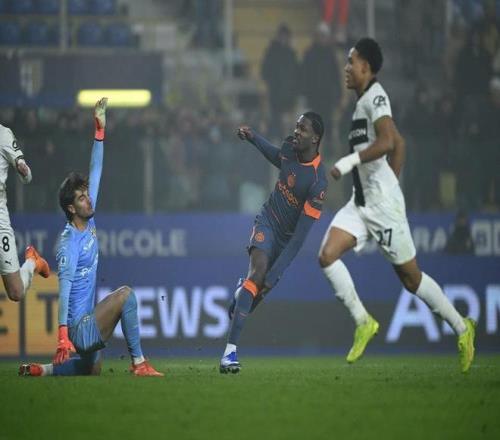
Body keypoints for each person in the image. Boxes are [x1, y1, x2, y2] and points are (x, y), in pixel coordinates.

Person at [318, 38, 476, 373]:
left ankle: (462, 328)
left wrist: (352, 164)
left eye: (351, 61)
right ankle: (364, 322)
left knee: (411, 279)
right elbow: (399, 142)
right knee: (327, 255)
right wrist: (389, 178)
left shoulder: (375, 96)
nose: (346, 67)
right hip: (361, 202)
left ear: (366, 67)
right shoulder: (360, 104)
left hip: (383, 208)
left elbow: (389, 141)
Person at [19, 98, 163, 377]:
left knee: (91, 368)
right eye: (82, 197)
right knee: (126, 295)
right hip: (79, 329)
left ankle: (40, 371)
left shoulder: (88, 218)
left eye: (87, 194)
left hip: (86, 321)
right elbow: (63, 289)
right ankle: (139, 364)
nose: (89, 199)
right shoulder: (69, 243)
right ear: (72, 208)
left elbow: (96, 170)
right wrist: (62, 335)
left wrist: (99, 132)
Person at [220, 112, 328, 374]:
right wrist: (253, 138)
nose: (296, 131)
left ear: (315, 138)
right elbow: (276, 156)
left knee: (254, 294)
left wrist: (277, 272)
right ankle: (229, 354)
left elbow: (299, 238)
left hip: (286, 241)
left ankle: (241, 295)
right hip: (267, 221)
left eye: (303, 129)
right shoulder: (290, 147)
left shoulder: (317, 183)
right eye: (297, 126)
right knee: (257, 274)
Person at [0, 122, 50, 302]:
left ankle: (32, 262)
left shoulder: (3, 134)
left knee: (16, 292)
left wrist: (23, 169)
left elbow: (27, 176)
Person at [301, 22, 341, 148]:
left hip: (327, 97)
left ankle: (328, 150)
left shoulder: (330, 54)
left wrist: (338, 94)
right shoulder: (309, 54)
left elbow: (336, 76)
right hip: (313, 97)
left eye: (324, 36)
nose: (322, 38)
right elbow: (304, 76)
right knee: (313, 126)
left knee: (327, 124)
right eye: (320, 35)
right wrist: (304, 94)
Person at [261, 24, 300, 139]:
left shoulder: (291, 53)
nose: (284, 38)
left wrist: (294, 89)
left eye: (286, 36)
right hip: (275, 93)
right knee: (276, 119)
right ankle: (276, 140)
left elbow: (296, 73)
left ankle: (285, 140)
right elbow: (265, 71)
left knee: (287, 121)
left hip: (289, 93)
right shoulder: (271, 52)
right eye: (282, 36)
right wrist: (272, 83)